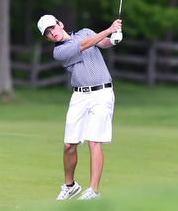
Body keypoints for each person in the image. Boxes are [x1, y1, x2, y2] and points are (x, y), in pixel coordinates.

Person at [37, 14, 122, 201]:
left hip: (102, 92)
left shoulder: (85, 32)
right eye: (48, 33)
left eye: (53, 28)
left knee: (94, 140)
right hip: (79, 96)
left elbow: (102, 43)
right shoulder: (59, 52)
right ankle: (70, 186)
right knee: (69, 144)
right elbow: (84, 46)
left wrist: (113, 39)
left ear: (61, 24)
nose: (53, 33)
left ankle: (93, 191)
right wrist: (108, 29)